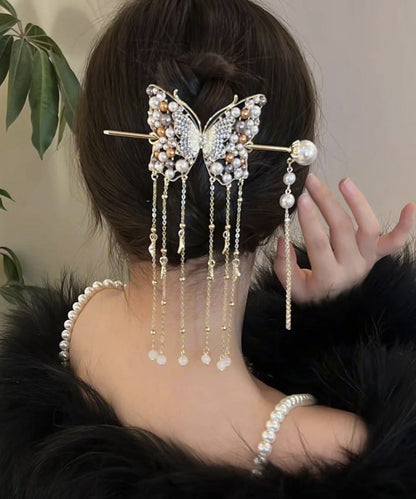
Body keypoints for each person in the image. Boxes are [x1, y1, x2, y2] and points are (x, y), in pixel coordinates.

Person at [1, 0, 416, 496]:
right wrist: (349, 320)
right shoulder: (341, 451)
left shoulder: (68, 335)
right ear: (287, 179)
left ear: (93, 163)